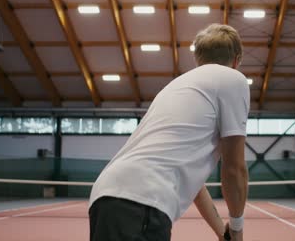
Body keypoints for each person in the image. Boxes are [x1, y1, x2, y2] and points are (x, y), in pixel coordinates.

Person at [88, 23, 250, 241]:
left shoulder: (177, 87)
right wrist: (237, 229)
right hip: (143, 201)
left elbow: (196, 187)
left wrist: (223, 233)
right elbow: (234, 169)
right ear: (236, 60)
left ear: (198, 59)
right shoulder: (233, 79)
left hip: (107, 195)